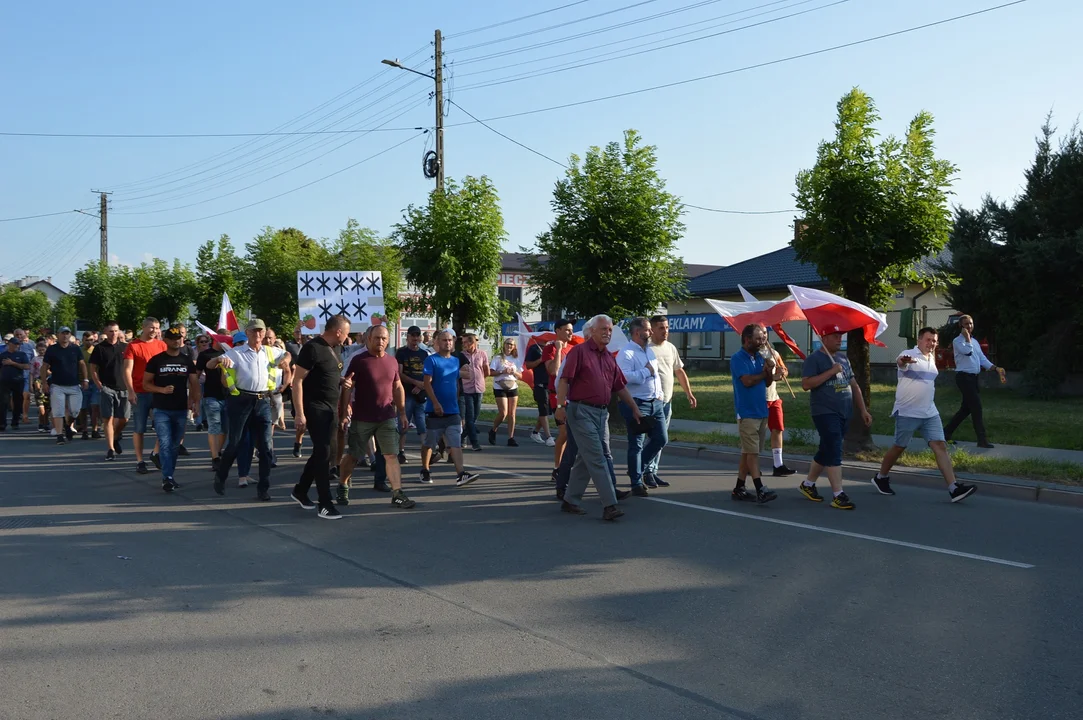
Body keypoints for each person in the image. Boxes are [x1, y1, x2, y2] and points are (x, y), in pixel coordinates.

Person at [872, 328, 978, 503]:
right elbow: (901, 363)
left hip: (929, 412)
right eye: (928, 340)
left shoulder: (931, 358)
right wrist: (903, 361)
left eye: (934, 341)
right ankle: (880, 477)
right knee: (899, 446)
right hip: (908, 411)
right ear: (919, 340)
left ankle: (954, 488)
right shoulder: (908, 354)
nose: (932, 344)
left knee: (940, 446)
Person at [555, 315, 641, 521]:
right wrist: (560, 406)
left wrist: (635, 409)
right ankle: (609, 505)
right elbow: (564, 380)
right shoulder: (579, 352)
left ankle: (570, 500)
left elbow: (619, 386)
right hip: (581, 411)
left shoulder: (609, 357)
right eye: (603, 329)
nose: (607, 332)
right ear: (591, 331)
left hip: (601, 414)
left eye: (610, 330)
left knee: (585, 459)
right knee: (598, 457)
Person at [206, 318, 292, 501]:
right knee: (235, 443)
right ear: (247, 333)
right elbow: (210, 365)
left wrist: (285, 360)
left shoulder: (270, 351)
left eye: (261, 331)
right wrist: (219, 361)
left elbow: (287, 355)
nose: (258, 334)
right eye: (254, 331)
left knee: (266, 447)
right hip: (241, 400)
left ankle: (263, 488)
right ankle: (221, 476)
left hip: (262, 401)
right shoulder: (237, 353)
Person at [334, 324, 416, 510]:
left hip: (386, 416)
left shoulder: (392, 361)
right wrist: (344, 409)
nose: (381, 342)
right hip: (362, 417)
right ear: (368, 339)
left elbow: (397, 387)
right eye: (377, 338)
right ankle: (343, 484)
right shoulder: (359, 360)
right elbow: (348, 386)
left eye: (384, 339)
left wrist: (402, 412)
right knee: (354, 456)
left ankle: (398, 493)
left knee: (391, 455)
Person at [798, 329, 873, 510]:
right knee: (834, 449)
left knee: (827, 449)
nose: (840, 340)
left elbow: (854, 386)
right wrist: (831, 372)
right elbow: (806, 384)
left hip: (844, 412)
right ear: (824, 338)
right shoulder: (814, 359)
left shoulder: (843, 359)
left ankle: (807, 485)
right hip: (824, 411)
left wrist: (863, 410)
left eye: (841, 336)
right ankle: (838, 494)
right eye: (835, 336)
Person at [290, 315, 350, 519]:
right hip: (314, 408)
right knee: (324, 453)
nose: (347, 337)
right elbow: (297, 381)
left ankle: (300, 490)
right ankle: (325, 504)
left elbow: (328, 373)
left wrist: (341, 381)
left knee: (326, 452)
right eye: (347, 332)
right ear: (338, 331)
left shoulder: (335, 349)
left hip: (331, 408)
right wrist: (299, 413)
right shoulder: (312, 348)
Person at [142, 327, 200, 492]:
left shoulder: (186, 361)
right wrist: (161, 390)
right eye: (173, 338)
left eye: (179, 338)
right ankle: (167, 478)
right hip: (161, 409)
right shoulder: (156, 360)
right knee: (165, 443)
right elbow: (146, 384)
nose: (177, 341)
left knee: (175, 445)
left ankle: (169, 475)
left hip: (181, 409)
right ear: (166, 341)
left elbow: (194, 383)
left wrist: (195, 403)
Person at [419, 330, 479, 487]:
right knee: (430, 444)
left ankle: (461, 474)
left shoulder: (455, 361)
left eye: (450, 340)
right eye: (444, 340)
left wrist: (455, 402)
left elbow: (455, 384)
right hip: (435, 410)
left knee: (456, 443)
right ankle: (425, 469)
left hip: (453, 411)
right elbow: (427, 383)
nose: (448, 343)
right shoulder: (431, 360)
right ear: (437, 343)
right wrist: (436, 403)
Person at [616, 317, 668, 497]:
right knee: (636, 444)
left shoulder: (649, 351)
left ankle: (637, 469)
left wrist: (659, 393)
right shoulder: (626, 353)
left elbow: (656, 375)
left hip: (655, 402)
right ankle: (636, 482)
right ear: (638, 332)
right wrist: (646, 371)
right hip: (636, 403)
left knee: (661, 439)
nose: (651, 332)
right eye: (648, 330)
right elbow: (624, 378)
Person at [729, 325, 779, 504]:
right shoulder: (737, 358)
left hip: (761, 410)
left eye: (763, 338)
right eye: (758, 339)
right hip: (747, 412)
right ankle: (760, 489)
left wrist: (769, 370)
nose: (762, 342)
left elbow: (767, 383)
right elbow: (748, 381)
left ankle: (739, 488)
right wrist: (762, 372)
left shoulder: (760, 357)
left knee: (748, 452)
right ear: (747, 339)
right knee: (753, 453)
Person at [644, 315, 696, 486]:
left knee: (661, 438)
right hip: (651, 402)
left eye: (666, 327)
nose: (665, 331)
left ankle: (652, 471)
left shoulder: (671, 348)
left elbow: (679, 371)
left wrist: (689, 393)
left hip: (667, 400)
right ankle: (645, 471)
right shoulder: (645, 348)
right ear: (651, 329)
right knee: (654, 438)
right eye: (660, 328)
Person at [944, 314, 1005, 448]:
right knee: (976, 407)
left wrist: (995, 368)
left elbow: (982, 358)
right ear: (961, 326)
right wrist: (967, 339)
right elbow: (967, 352)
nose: (969, 326)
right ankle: (981, 440)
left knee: (966, 409)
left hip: (973, 378)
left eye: (971, 323)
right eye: (966, 324)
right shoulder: (958, 341)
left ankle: (945, 433)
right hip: (964, 377)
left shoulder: (975, 341)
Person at [123, 317, 166, 473]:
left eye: (157, 327)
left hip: (158, 391)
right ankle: (140, 460)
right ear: (144, 327)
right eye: (151, 328)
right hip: (140, 392)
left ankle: (156, 453)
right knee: (140, 428)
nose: (154, 331)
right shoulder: (133, 346)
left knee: (163, 425)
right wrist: (131, 390)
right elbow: (127, 370)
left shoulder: (161, 345)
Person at [757, 326, 797, 477]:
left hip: (774, 397)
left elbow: (784, 369)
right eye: (760, 334)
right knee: (758, 433)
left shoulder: (774, 352)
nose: (763, 337)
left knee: (778, 429)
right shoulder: (754, 355)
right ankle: (752, 465)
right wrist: (771, 376)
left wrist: (783, 372)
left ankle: (778, 464)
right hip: (760, 398)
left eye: (765, 333)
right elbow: (755, 377)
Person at [88, 322, 129, 460]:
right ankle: (110, 449)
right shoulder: (99, 348)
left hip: (124, 387)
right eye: (111, 331)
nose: (114, 333)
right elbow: (93, 368)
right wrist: (98, 383)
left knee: (124, 418)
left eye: (116, 331)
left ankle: (115, 437)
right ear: (105, 331)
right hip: (107, 387)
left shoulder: (125, 347)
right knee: (108, 418)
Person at [41, 327, 88, 445]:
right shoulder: (52, 349)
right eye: (63, 333)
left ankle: (67, 426)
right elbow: (44, 366)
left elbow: (82, 364)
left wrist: (85, 379)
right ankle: (59, 435)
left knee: (75, 411)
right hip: (57, 385)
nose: (65, 336)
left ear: (70, 335)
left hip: (74, 384)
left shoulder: (75, 348)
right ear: (58, 335)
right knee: (58, 411)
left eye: (67, 333)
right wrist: (44, 383)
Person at [543, 319, 576, 480]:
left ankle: (567, 467)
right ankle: (557, 468)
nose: (571, 333)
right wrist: (557, 350)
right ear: (557, 331)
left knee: (572, 434)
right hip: (557, 396)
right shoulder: (550, 348)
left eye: (572, 330)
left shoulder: (574, 349)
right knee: (564, 433)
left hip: (574, 396)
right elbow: (554, 371)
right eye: (567, 330)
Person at [395, 325, 429, 464]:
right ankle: (400, 451)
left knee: (422, 424)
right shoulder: (402, 353)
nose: (415, 338)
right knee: (403, 424)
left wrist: (421, 385)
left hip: (421, 394)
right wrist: (415, 382)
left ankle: (427, 452)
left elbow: (428, 373)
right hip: (406, 393)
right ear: (407, 337)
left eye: (417, 336)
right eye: (412, 336)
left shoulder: (424, 354)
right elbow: (399, 373)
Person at [196, 333, 228, 471]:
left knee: (225, 428)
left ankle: (218, 452)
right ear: (216, 340)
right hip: (211, 395)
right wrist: (195, 397)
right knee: (214, 426)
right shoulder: (204, 355)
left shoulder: (230, 353)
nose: (227, 342)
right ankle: (215, 457)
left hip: (228, 395)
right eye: (224, 339)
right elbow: (196, 376)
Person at [456, 332, 488, 452]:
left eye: (465, 342)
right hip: (466, 389)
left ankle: (461, 437)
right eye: (462, 342)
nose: (463, 344)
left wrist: (480, 380)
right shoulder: (461, 355)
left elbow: (486, 370)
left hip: (479, 388)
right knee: (469, 417)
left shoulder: (482, 354)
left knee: (475, 416)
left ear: (472, 342)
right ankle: (475, 442)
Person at [488, 338, 522, 446]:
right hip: (500, 385)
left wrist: (514, 372)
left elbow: (521, 375)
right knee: (503, 413)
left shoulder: (516, 359)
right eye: (508, 344)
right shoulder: (498, 357)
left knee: (512, 414)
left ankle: (511, 438)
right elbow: (491, 372)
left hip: (512, 385)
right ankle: (493, 430)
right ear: (504, 345)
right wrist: (502, 371)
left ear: (514, 346)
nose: (509, 346)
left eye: (512, 344)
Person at [523, 337, 555, 447]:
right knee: (543, 410)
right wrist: (540, 360)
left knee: (546, 411)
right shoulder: (534, 348)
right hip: (540, 384)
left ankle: (535, 432)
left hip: (550, 384)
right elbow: (528, 365)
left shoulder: (551, 348)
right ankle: (549, 436)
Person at [0, 336, 30, 431]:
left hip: (18, 380)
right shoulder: (3, 355)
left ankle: (15, 422)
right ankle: (2, 423)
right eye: (15, 344)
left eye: (18, 344)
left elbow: (27, 366)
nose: (17, 346)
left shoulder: (22, 354)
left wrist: (13, 363)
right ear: (10, 344)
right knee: (3, 403)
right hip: (4, 381)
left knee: (17, 402)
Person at [77, 330, 101, 439]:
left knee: (95, 406)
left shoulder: (97, 350)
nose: (89, 342)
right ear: (82, 340)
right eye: (86, 340)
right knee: (83, 407)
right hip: (82, 382)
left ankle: (95, 429)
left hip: (95, 381)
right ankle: (85, 430)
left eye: (91, 340)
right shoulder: (79, 351)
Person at [13, 328, 36, 424]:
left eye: (20, 335)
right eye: (17, 335)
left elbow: (33, 360)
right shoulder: (9, 347)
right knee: (15, 397)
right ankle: (16, 415)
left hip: (26, 376)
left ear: (24, 336)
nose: (19, 337)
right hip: (13, 376)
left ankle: (25, 415)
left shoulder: (29, 347)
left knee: (26, 395)